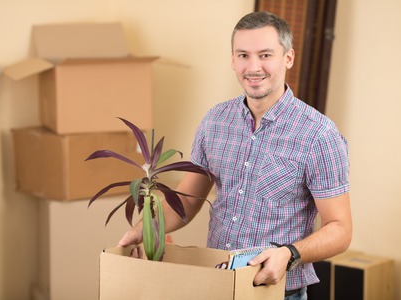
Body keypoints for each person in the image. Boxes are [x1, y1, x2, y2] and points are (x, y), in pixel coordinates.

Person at [118, 11, 352, 299]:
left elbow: (340, 229)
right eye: (243, 55)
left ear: (288, 58)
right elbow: (187, 202)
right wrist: (144, 231)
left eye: (265, 55)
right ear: (232, 60)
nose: (253, 67)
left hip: (278, 292)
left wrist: (289, 254)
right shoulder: (214, 122)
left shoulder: (319, 135)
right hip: (216, 285)